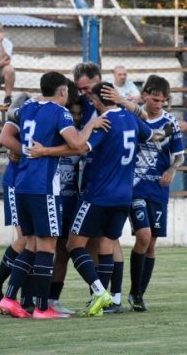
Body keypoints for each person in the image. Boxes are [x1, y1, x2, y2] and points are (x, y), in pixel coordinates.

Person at [0, 72, 99, 319]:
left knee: (31, 243)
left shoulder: (28, 107)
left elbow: (11, 133)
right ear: (62, 91)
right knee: (48, 245)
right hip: (44, 188)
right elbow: (76, 144)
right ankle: (42, 308)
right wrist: (91, 125)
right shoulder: (59, 112)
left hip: (21, 184)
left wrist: (40, 151)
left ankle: (10, 298)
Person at [65, 82, 153, 317]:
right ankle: (103, 300)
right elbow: (151, 133)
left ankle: (99, 290)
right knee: (106, 244)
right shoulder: (131, 117)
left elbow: (81, 147)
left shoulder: (104, 123)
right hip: (124, 196)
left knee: (73, 245)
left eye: (92, 101)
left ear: (96, 101)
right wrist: (128, 105)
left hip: (98, 195)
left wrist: (45, 151)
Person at [128, 75, 184, 312]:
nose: (158, 104)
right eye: (154, 99)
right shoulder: (133, 117)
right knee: (143, 236)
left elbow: (179, 155)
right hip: (135, 187)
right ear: (144, 96)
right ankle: (133, 291)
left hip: (158, 190)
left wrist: (172, 168)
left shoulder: (171, 123)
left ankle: (138, 294)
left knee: (151, 244)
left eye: (162, 101)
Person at [0, 92, 32, 313]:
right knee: (24, 239)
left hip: (29, 183)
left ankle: (25, 295)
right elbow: (5, 138)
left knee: (32, 240)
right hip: (15, 182)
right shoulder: (21, 111)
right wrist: (25, 152)